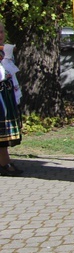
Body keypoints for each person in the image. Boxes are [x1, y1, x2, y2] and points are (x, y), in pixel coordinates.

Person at [0, 20, 23, 176]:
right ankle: (4, 162)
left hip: (5, 94)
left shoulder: (5, 51)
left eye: (1, 31)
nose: (0, 35)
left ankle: (4, 160)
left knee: (4, 132)